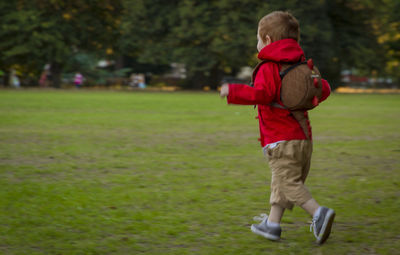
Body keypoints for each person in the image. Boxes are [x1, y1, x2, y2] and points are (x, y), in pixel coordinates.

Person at [220, 11, 335, 244]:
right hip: (303, 139)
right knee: (281, 182)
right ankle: (272, 225)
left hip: (280, 140)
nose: (257, 44)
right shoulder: (302, 67)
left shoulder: (269, 67)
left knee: (288, 183)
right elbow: (323, 89)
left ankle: (318, 213)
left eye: (258, 39)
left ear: (268, 40)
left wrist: (233, 91)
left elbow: (262, 94)